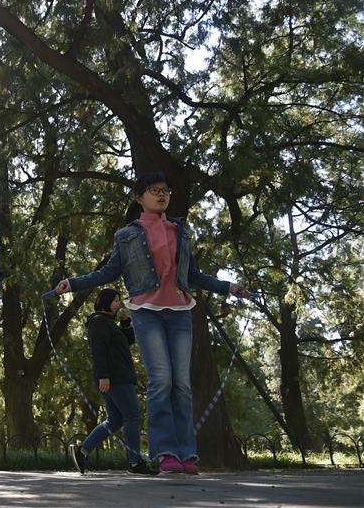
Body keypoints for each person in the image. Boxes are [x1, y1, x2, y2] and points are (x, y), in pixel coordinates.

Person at [56, 172, 249, 475]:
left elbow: (194, 275)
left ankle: (187, 455)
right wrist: (74, 282)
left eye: (165, 190)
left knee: (182, 385)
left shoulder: (181, 231)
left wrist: (228, 287)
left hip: (180, 312)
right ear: (139, 197)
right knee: (162, 380)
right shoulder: (127, 234)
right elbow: (107, 272)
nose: (161, 195)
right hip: (146, 312)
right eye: (154, 190)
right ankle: (166, 453)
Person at [70, 289, 157, 476]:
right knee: (132, 416)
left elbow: (127, 342)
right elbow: (98, 350)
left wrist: (125, 324)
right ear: (106, 302)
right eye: (116, 300)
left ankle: (82, 451)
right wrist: (103, 376)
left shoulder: (109, 324)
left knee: (115, 420)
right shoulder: (98, 322)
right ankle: (135, 462)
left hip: (118, 377)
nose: (118, 304)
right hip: (115, 378)